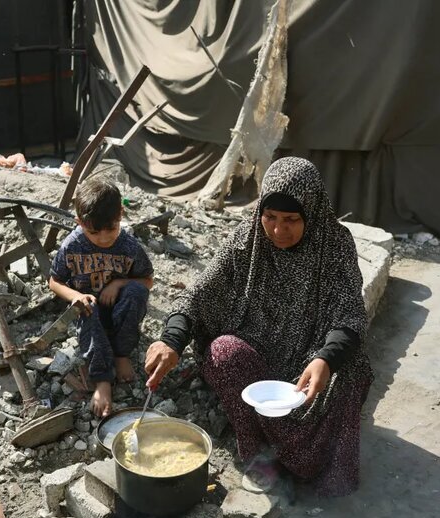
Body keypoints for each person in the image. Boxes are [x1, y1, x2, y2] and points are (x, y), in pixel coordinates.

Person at [144, 157, 373, 496]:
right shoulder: (245, 241)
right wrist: (171, 340)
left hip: (309, 361)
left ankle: (312, 462)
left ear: (311, 212)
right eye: (271, 217)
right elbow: (199, 293)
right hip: (255, 355)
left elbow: (350, 313)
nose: (279, 230)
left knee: (351, 369)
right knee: (223, 352)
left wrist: (326, 358)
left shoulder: (335, 245)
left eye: (292, 220)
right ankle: (259, 455)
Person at [49, 179, 155, 417]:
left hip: (121, 311)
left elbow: (147, 281)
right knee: (88, 307)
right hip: (89, 314)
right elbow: (54, 282)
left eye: (112, 228)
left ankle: (121, 354)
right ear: (80, 223)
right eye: (94, 232)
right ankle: (102, 380)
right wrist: (76, 295)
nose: (104, 238)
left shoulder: (129, 246)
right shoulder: (72, 246)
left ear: (121, 214)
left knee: (136, 292)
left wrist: (119, 283)